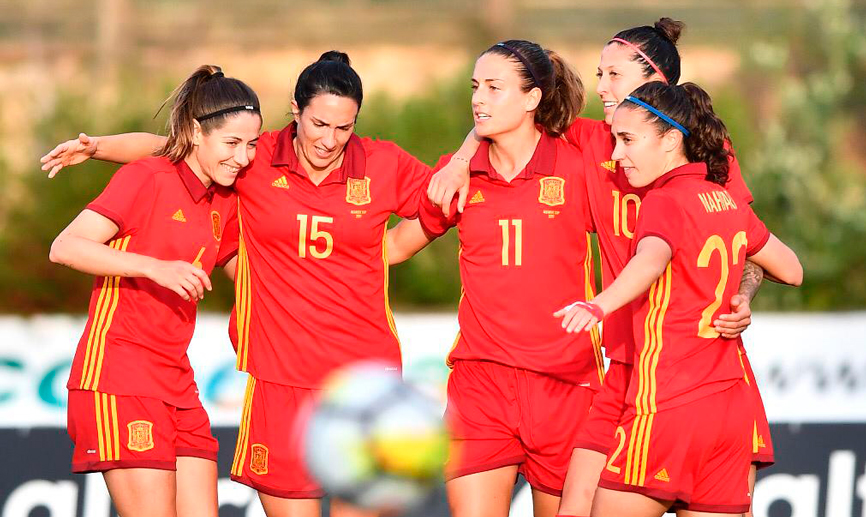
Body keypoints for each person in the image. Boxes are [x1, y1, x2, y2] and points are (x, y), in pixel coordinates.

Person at [40, 51, 480, 517]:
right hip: (263, 380)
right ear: (295, 109)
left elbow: (449, 199)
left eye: (344, 128)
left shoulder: (373, 162)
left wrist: (404, 232)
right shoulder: (248, 158)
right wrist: (97, 148)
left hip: (361, 382)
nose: (330, 140)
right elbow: (172, 149)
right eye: (319, 124)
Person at [424, 19, 774, 517]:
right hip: (626, 366)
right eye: (598, 74)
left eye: (613, 74)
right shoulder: (594, 141)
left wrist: (743, 294)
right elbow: (502, 112)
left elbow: (751, 246)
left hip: (695, 368)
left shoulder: (702, 153)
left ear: (657, 81)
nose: (602, 88)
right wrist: (462, 159)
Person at [554, 81, 802, 517]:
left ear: (671, 140)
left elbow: (651, 259)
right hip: (730, 408)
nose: (617, 153)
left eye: (628, 139)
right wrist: (743, 294)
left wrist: (599, 304)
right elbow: (792, 270)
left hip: (668, 402)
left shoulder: (664, 201)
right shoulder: (725, 199)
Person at [384, 39, 600, 517]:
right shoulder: (459, 174)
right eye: (475, 86)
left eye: (493, 88)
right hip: (480, 387)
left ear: (532, 98)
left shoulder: (578, 166)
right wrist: (293, 263)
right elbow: (396, 246)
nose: (478, 99)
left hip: (566, 385)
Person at [48, 65, 261, 517]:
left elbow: (244, 272)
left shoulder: (224, 198)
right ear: (196, 133)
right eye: (232, 143)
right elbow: (65, 247)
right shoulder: (147, 177)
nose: (243, 157)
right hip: (117, 376)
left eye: (252, 144)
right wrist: (153, 268)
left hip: (177, 382)